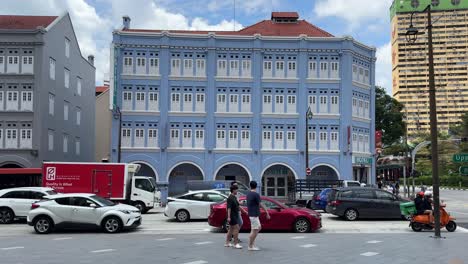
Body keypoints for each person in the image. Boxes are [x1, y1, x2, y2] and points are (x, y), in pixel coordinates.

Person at [246, 180, 270, 251]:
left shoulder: (248, 194)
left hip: (252, 214)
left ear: (250, 186)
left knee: (256, 228)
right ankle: (250, 246)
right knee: (256, 229)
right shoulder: (255, 194)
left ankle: (251, 244)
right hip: (254, 215)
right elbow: (260, 204)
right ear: (256, 186)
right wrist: (266, 212)